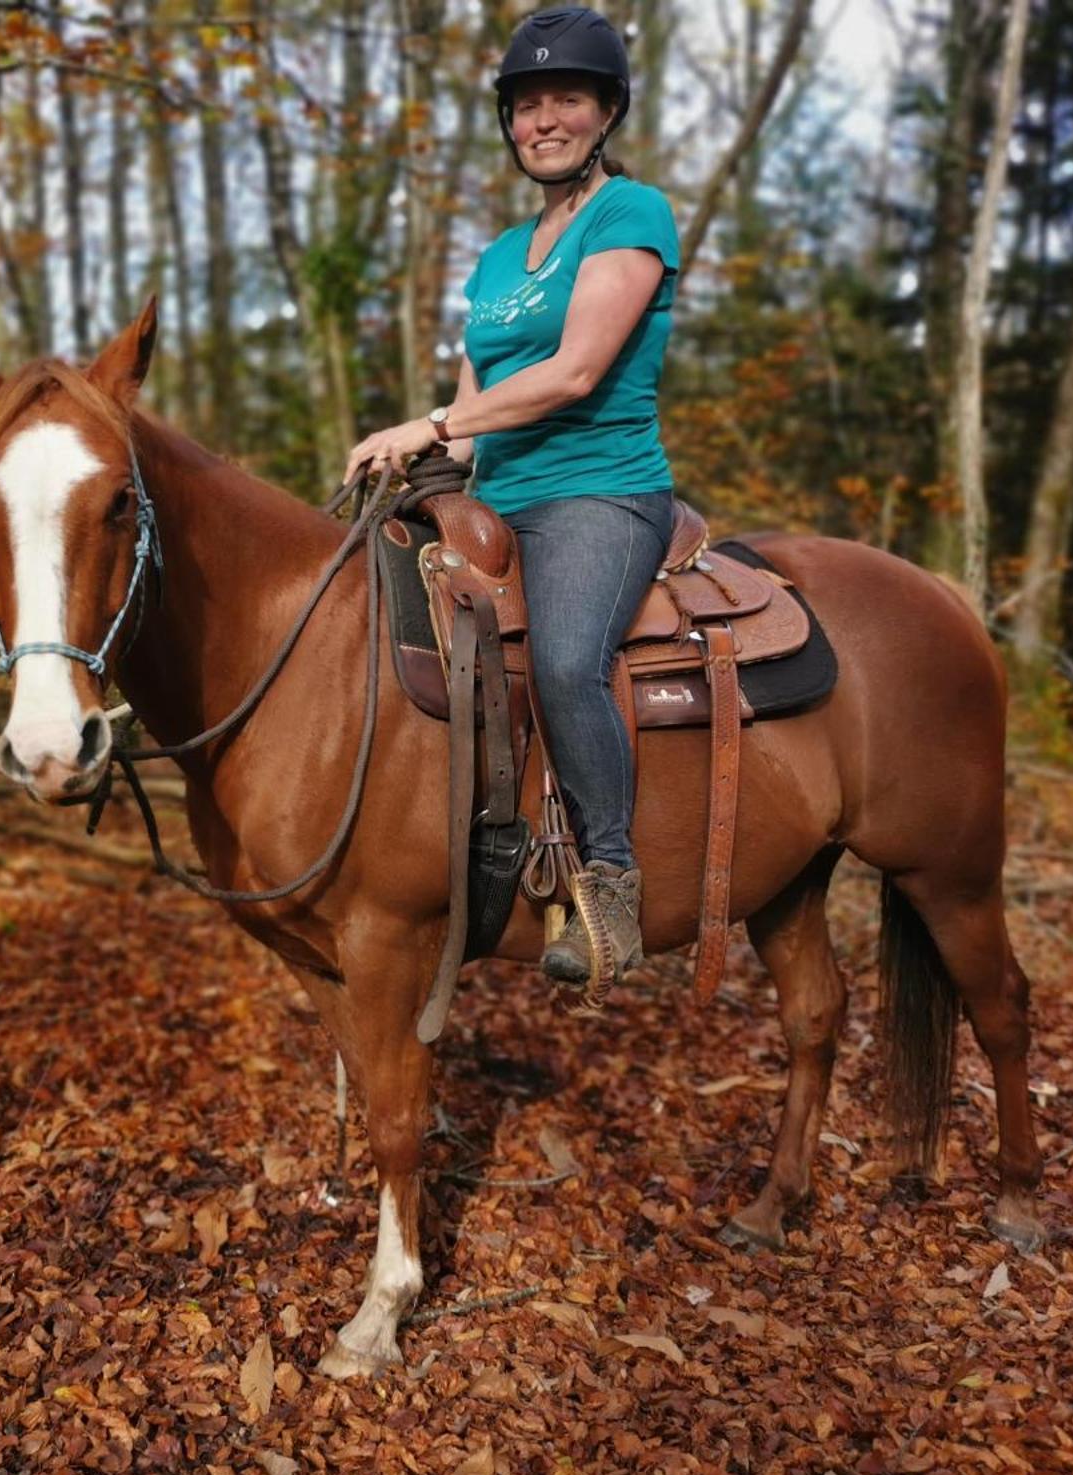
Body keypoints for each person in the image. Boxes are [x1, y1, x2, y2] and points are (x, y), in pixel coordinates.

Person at [346, 5, 680, 990]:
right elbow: (472, 396)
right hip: (499, 496)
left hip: (600, 495)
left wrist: (432, 429)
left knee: (570, 664)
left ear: (604, 110)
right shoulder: (495, 257)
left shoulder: (632, 214)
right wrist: (431, 470)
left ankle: (612, 882)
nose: (544, 119)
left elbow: (576, 371)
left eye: (565, 99)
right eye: (526, 103)